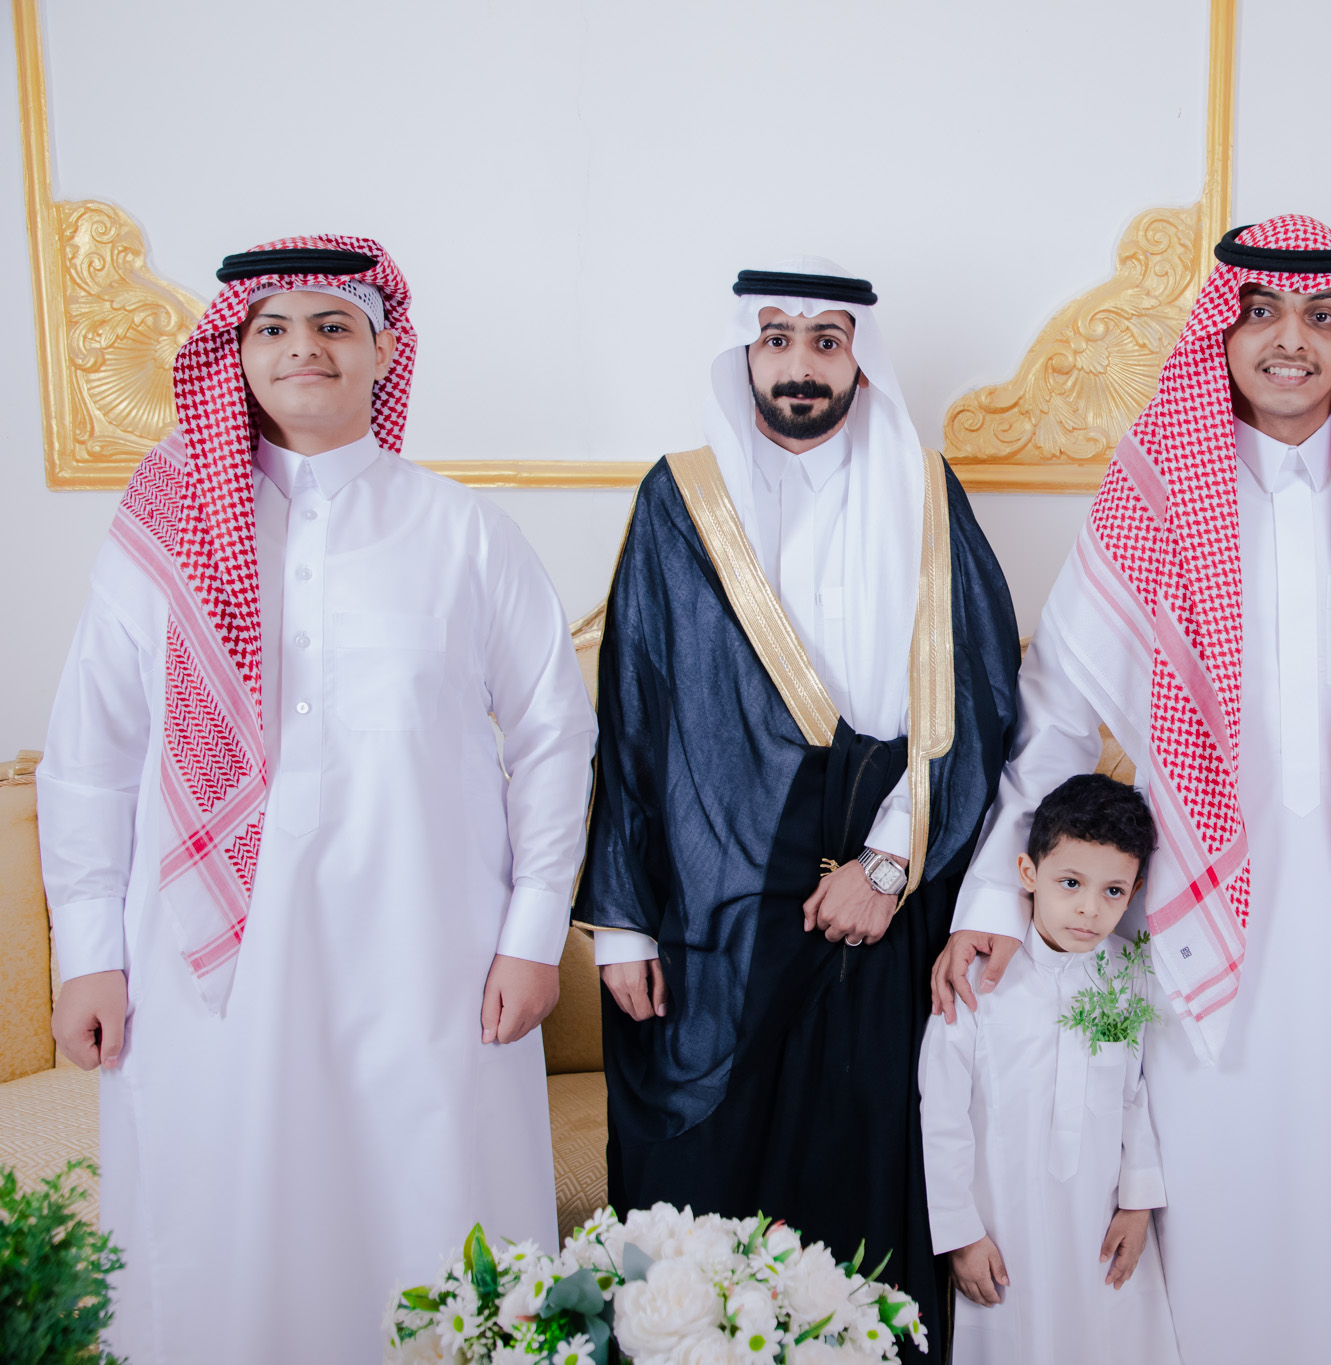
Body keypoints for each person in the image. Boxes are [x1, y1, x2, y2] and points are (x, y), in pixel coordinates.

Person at [931, 215, 1331, 1363]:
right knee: (1216, 1209)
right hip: (1198, 929)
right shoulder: (1154, 495)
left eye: (1319, 316)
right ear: (1222, 330)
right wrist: (996, 900)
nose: (1288, 339)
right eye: (1259, 311)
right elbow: (1052, 721)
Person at [38, 236, 596, 1364]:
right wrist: (88, 950)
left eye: (335, 325)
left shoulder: (462, 531)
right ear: (235, 353)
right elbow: (93, 751)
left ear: (383, 352)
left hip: (428, 960)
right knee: (220, 1225)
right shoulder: (165, 539)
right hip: (208, 974)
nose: (305, 348)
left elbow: (554, 736)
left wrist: (534, 934)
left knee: (429, 1215)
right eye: (274, 328)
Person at [576, 260, 1021, 1326]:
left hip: (878, 898)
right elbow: (634, 707)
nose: (800, 365)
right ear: (746, 353)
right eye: (777, 338)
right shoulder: (681, 496)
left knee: (858, 1165)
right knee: (706, 1179)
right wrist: (624, 924)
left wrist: (887, 862)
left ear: (859, 358)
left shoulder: (923, 494)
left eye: (826, 341)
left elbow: (978, 695)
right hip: (713, 899)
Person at [919, 773, 1179, 1365]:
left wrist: (1138, 1202)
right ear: (1029, 873)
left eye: (1113, 891)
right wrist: (960, 1232)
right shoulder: (980, 975)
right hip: (1003, 1220)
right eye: (1070, 883)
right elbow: (942, 1110)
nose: (1089, 908)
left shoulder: (1126, 973)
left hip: (1098, 1220)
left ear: (1135, 891)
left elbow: (1134, 1093)